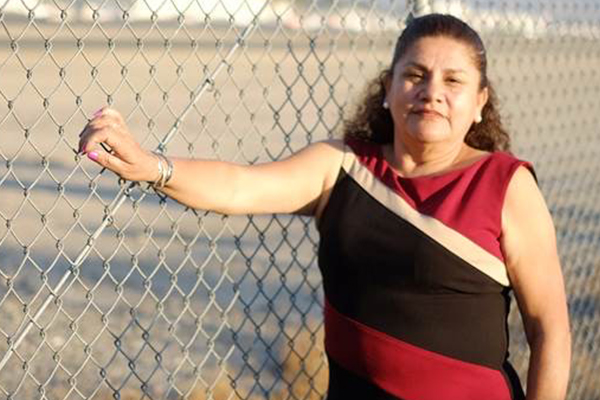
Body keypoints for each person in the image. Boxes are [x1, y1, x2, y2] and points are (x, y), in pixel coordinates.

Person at [79, 14, 570, 400]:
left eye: (453, 81)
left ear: (481, 101)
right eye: (415, 75)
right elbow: (239, 187)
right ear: (388, 90)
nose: (431, 92)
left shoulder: (506, 184)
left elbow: (548, 328)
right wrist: (151, 166)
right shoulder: (342, 166)